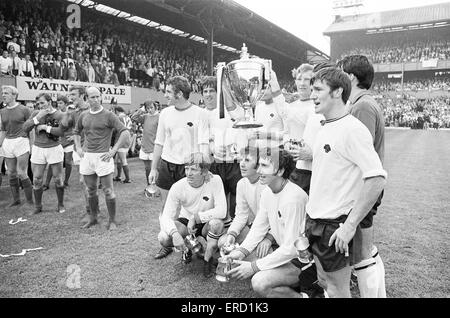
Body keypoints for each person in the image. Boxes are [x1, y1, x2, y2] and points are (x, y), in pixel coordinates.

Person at [305, 67, 387, 298]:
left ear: (338, 91)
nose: (312, 95)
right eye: (312, 89)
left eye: (318, 89)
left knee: (338, 289)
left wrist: (349, 226)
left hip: (333, 224)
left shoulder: (352, 129)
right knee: (323, 282)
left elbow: (377, 177)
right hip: (315, 220)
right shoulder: (325, 126)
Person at [225, 147, 309, 298]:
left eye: (264, 166)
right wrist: (240, 252)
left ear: (281, 171)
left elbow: (291, 249)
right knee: (242, 261)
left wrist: (253, 267)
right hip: (284, 254)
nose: (258, 170)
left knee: (259, 281)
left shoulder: (293, 198)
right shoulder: (268, 192)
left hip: (304, 261)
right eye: (259, 165)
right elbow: (258, 228)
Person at [337, 55, 386, 298]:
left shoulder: (362, 106)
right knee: (367, 249)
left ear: (351, 77)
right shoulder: (363, 102)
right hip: (365, 185)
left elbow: (360, 152)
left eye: (340, 73)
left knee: (362, 252)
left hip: (364, 186)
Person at [149, 75, 209, 246]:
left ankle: (192, 243)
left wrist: (204, 168)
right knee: (166, 206)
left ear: (180, 94)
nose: (165, 95)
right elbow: (159, 142)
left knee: (191, 208)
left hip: (189, 167)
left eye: (168, 92)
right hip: (167, 165)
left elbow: (204, 143)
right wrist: (154, 168)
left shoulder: (200, 113)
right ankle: (166, 241)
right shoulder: (165, 113)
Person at [157, 152, 227, 277]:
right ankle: (188, 247)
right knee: (164, 237)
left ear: (204, 172)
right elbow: (166, 216)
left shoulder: (215, 180)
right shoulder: (177, 187)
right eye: (186, 168)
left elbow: (222, 211)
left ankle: (208, 260)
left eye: (193, 169)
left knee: (217, 224)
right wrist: (175, 234)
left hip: (207, 223)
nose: (188, 173)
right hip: (186, 222)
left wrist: (196, 217)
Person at [73, 87, 130, 230]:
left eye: (98, 96)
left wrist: (114, 150)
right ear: (87, 98)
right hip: (87, 157)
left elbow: (124, 132)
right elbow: (76, 132)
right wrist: (78, 148)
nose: (96, 99)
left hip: (103, 156)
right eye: (92, 97)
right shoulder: (84, 115)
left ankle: (112, 221)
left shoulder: (109, 115)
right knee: (90, 189)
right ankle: (93, 218)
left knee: (108, 190)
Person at [201, 76, 243, 220]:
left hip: (235, 163)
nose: (208, 94)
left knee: (237, 202)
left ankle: (235, 232)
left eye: (211, 90)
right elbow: (202, 139)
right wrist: (213, 148)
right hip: (215, 164)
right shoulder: (201, 114)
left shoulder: (229, 109)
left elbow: (239, 124)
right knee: (218, 202)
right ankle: (219, 232)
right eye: (205, 91)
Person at [22, 93, 67, 214]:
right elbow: (25, 128)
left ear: (49, 101)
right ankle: (38, 206)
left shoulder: (60, 114)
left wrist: (45, 128)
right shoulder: (36, 113)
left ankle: (61, 204)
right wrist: (37, 118)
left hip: (54, 148)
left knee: (58, 179)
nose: (40, 105)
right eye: (38, 104)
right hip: (38, 148)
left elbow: (62, 133)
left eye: (42, 103)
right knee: (37, 179)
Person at [217, 147, 267, 251]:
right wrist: (232, 233)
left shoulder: (266, 184)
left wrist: (269, 238)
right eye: (241, 160)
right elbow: (241, 215)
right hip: (253, 227)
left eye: (247, 160)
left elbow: (274, 219)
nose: (241, 164)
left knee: (258, 251)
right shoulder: (241, 184)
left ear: (258, 165)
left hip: (269, 231)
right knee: (223, 242)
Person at [284, 63, 315, 195]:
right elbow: (286, 132)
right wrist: (286, 144)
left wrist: (311, 154)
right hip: (291, 162)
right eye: (299, 79)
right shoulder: (291, 106)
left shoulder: (317, 107)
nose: (302, 83)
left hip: (310, 167)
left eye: (307, 79)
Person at [0, 85, 34, 207]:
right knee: (11, 173)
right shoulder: (2, 111)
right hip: (8, 142)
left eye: (6, 93)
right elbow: (3, 130)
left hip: (21, 141)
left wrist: (31, 145)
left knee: (22, 172)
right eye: (3, 93)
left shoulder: (24, 109)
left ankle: (30, 201)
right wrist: (0, 143)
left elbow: (31, 128)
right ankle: (16, 200)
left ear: (14, 95)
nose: (3, 95)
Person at [43, 94, 75, 189]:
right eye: (58, 103)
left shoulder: (71, 114)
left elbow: (77, 127)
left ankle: (66, 182)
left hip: (69, 141)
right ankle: (46, 184)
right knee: (53, 162)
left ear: (66, 104)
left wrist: (73, 136)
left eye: (61, 103)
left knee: (68, 162)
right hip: (58, 141)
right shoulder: (56, 114)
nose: (59, 104)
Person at [130, 100, 159, 188]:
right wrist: (141, 110)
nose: (150, 110)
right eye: (147, 108)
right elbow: (133, 118)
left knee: (155, 169)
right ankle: (149, 186)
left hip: (155, 147)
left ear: (155, 107)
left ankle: (156, 187)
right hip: (145, 147)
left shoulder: (159, 117)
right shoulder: (145, 116)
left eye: (151, 108)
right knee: (147, 169)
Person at [112, 106, 132, 183]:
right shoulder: (127, 117)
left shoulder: (119, 118)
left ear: (116, 111)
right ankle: (118, 176)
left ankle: (128, 178)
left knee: (123, 160)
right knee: (118, 159)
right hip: (127, 138)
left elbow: (115, 129)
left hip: (121, 138)